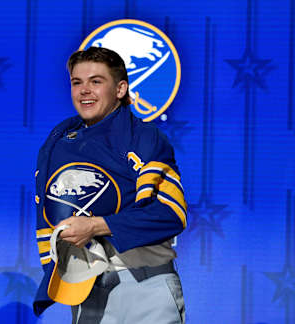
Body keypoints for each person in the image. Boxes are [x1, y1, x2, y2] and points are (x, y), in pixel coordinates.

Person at [33, 47, 187, 323]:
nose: (84, 91)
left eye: (96, 81)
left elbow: (171, 215)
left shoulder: (146, 140)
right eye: (77, 82)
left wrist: (96, 226)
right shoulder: (57, 142)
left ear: (120, 89)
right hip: (84, 288)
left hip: (145, 286)